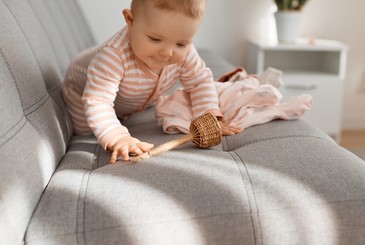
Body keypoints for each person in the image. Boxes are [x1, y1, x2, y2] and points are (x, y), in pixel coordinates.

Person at [63, 0, 312, 164]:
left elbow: (200, 82)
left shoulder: (182, 54)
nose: (167, 52)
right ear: (130, 21)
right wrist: (117, 137)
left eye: (181, 43)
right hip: (83, 93)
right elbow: (97, 100)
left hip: (132, 101)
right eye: (155, 38)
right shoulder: (112, 57)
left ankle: (123, 116)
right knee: (89, 132)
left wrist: (209, 116)